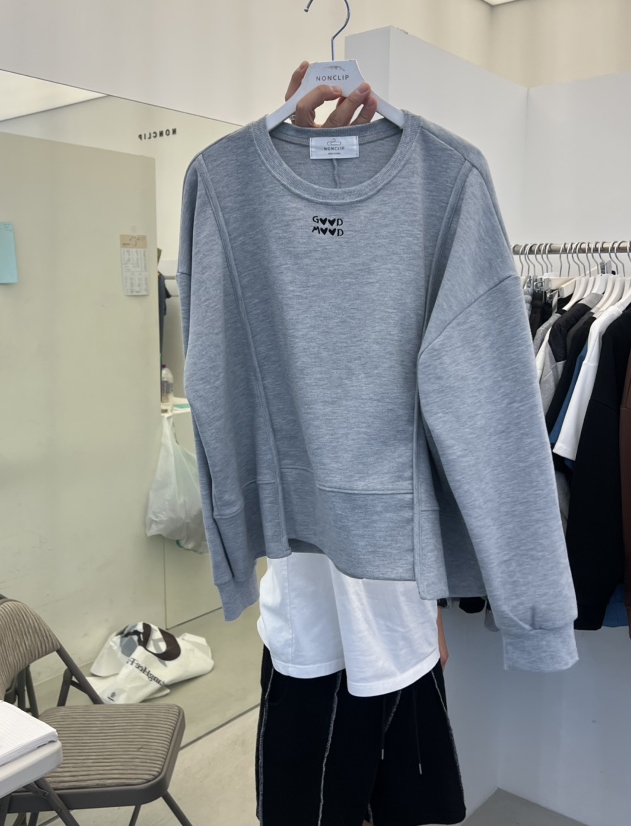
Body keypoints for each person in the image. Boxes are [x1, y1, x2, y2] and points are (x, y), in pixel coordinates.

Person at [254, 66, 464, 826]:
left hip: (401, 624)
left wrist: (435, 609)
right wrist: (285, 151)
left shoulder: (434, 214)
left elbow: (447, 436)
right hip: (309, 629)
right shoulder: (254, 227)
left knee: (405, 810)